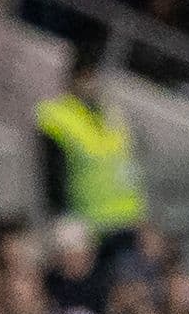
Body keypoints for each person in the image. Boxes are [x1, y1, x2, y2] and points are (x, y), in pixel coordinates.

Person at [36, 49, 148, 264]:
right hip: (86, 222)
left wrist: (140, 214)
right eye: (85, 76)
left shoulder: (112, 116)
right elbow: (52, 172)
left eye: (92, 76)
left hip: (124, 219)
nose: (89, 83)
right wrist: (62, 215)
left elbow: (126, 166)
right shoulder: (57, 115)